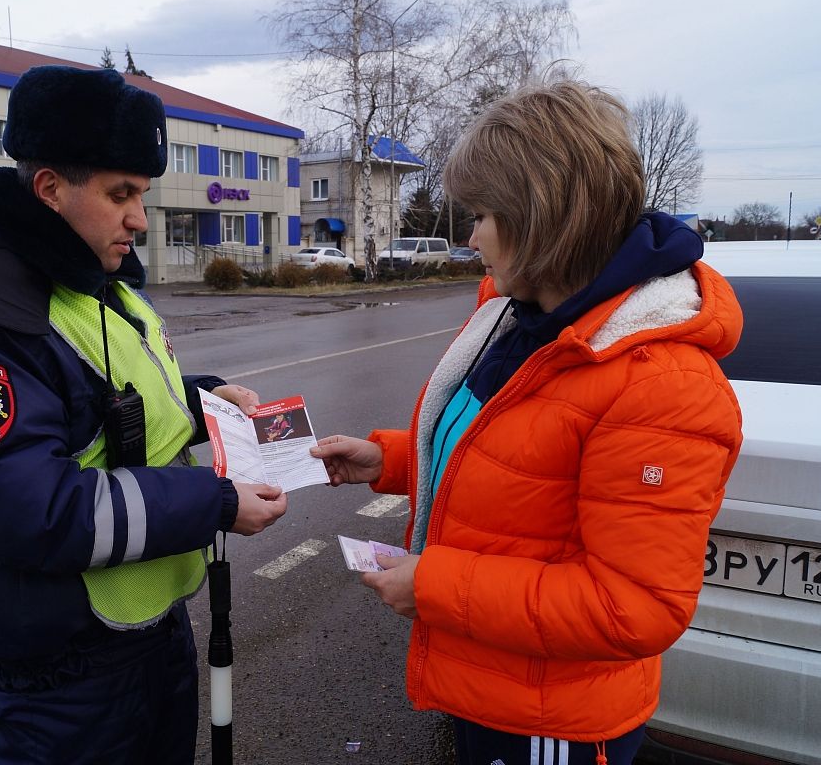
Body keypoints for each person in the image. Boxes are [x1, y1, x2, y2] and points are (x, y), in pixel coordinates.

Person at [312, 79, 744, 765]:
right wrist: (389, 460)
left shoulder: (661, 386)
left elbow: (632, 606)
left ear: (544, 218)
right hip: (498, 687)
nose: (472, 234)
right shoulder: (524, 320)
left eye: (484, 213)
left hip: (555, 720)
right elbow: (512, 464)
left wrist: (434, 585)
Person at [0, 65, 287, 765]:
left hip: (146, 631)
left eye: (141, 193)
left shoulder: (95, 289)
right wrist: (216, 500)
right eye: (121, 194)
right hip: (65, 672)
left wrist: (206, 405)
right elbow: (29, 508)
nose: (139, 217)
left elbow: (110, 405)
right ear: (49, 188)